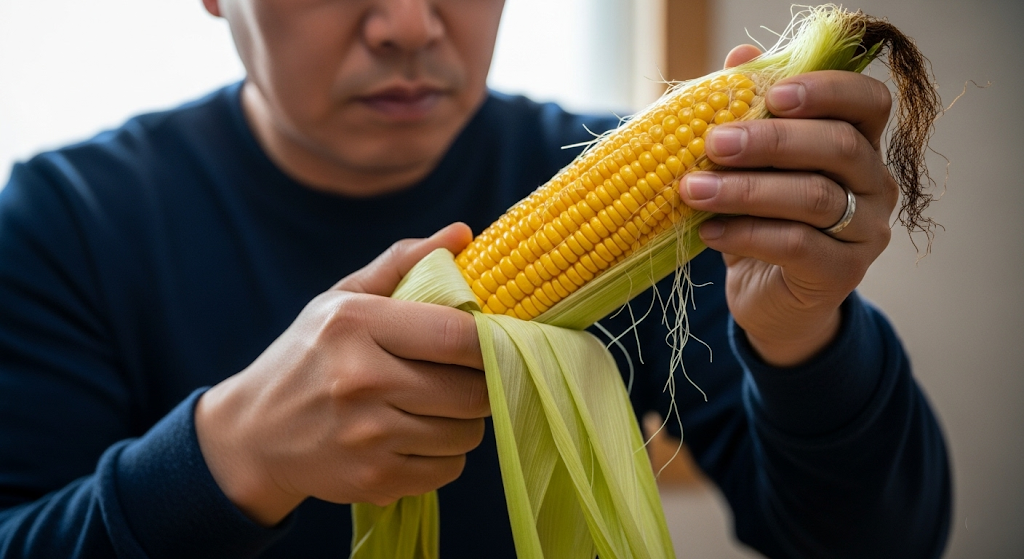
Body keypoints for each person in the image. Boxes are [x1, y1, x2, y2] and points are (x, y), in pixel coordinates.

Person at [0, 0, 951, 557]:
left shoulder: (672, 194)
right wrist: (232, 453)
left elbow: (878, 542)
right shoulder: (62, 219)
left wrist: (803, 328)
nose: (412, 24)